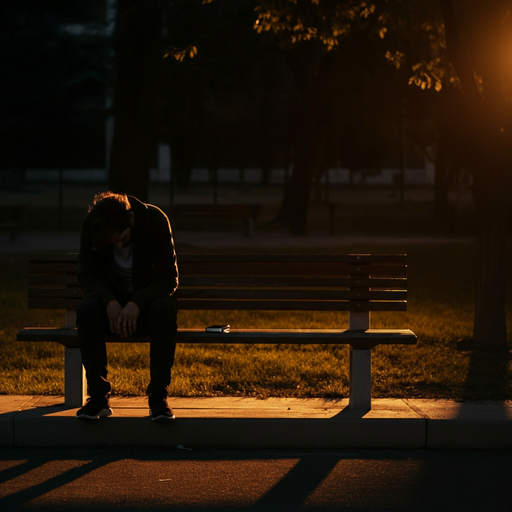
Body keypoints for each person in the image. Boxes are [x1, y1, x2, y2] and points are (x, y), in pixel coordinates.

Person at [75, 191, 178, 421]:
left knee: (165, 309)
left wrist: (137, 302)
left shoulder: (155, 221)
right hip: (110, 306)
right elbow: (87, 275)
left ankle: (158, 397)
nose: (119, 244)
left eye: (122, 238)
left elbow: (168, 277)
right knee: (87, 310)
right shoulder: (93, 226)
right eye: (113, 243)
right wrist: (108, 300)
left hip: (147, 306)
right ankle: (99, 399)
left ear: (131, 218)